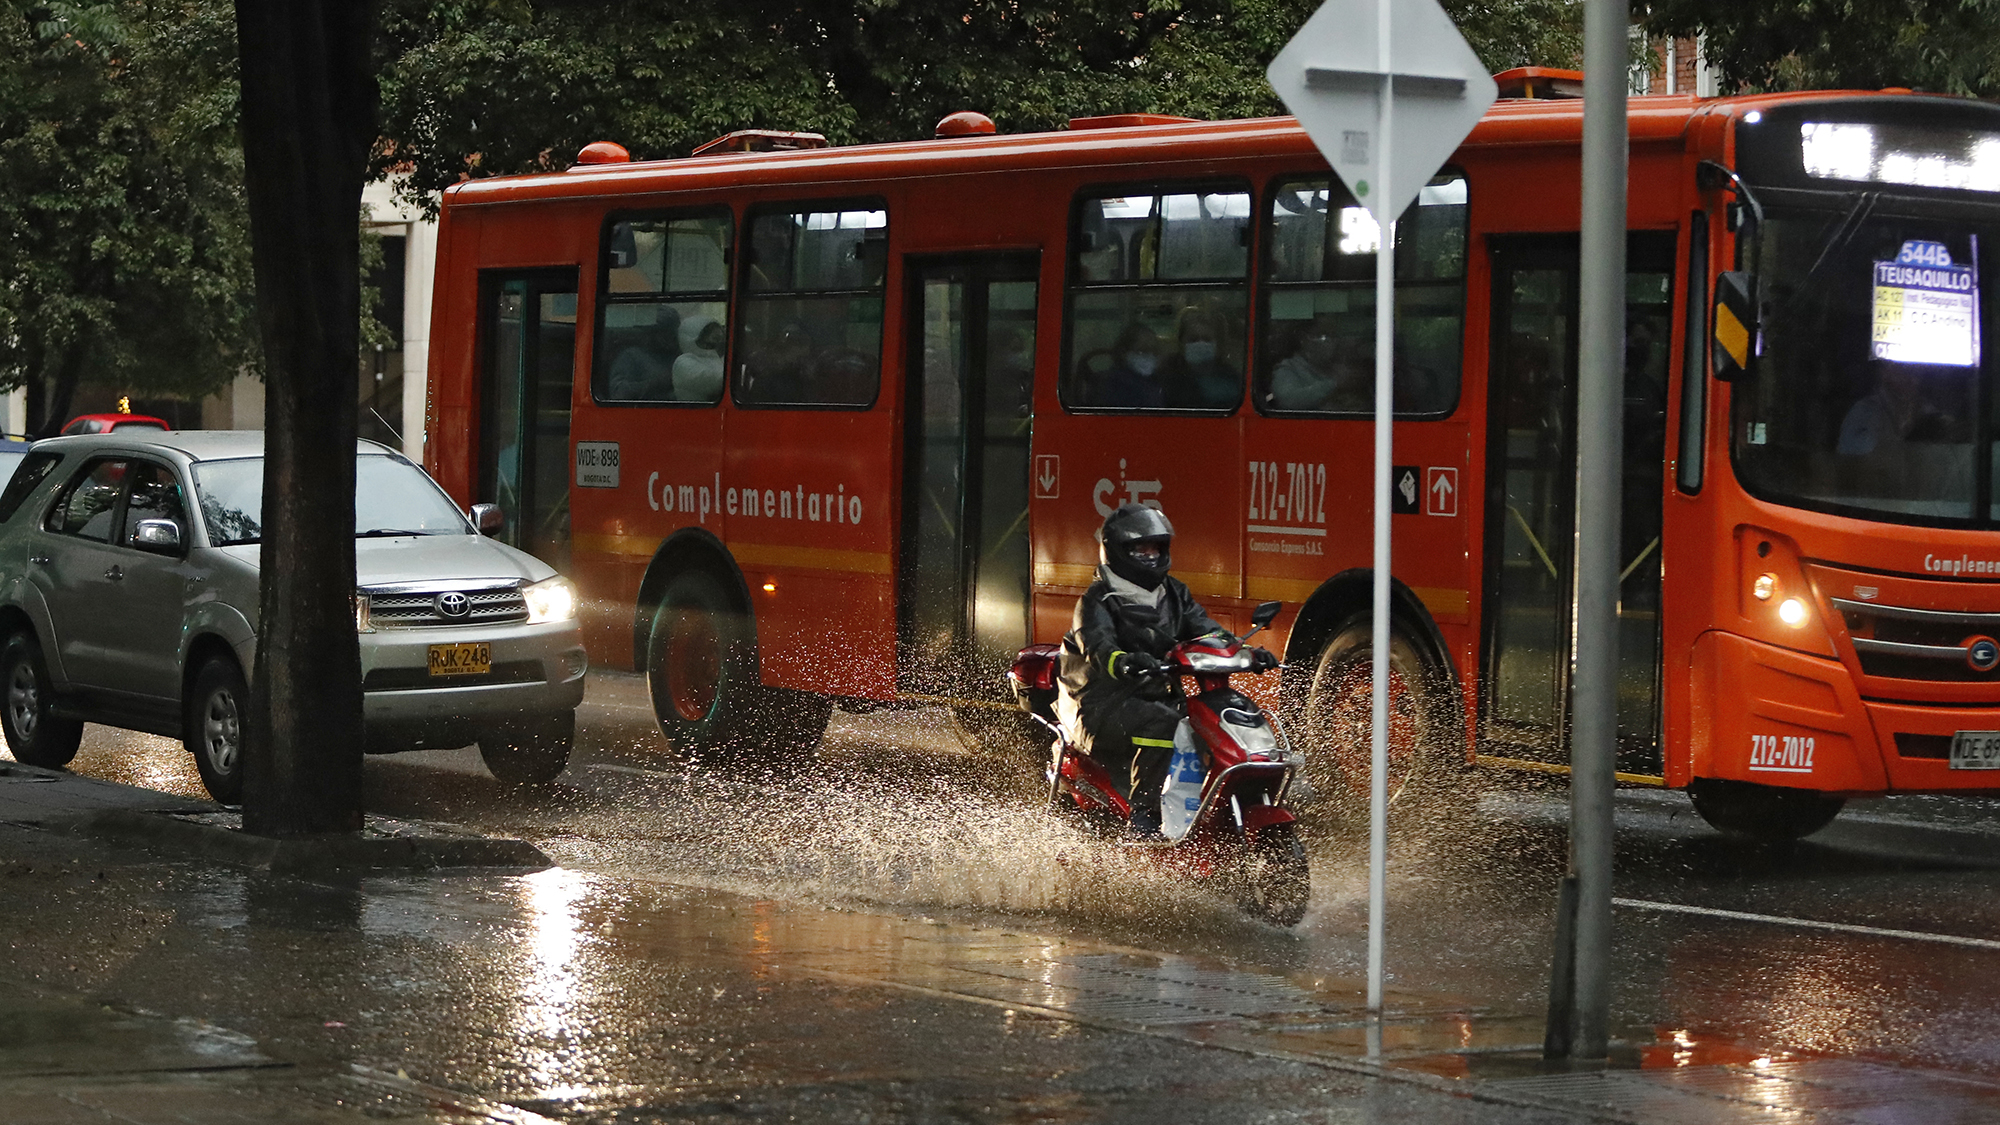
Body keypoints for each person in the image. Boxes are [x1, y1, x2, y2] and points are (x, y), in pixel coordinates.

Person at [1057, 504, 1276, 839]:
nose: (1150, 554)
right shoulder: (1098, 599)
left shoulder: (1174, 592)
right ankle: (1143, 815)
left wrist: (1245, 651)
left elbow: (1206, 631)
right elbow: (1096, 643)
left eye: (1156, 547)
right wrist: (1123, 660)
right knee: (1160, 722)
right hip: (1102, 703)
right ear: (1118, 550)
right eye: (1141, 548)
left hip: (1158, 696)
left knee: (1211, 720)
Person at [1268, 316, 1365, 411]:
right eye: (1322, 336)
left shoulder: (1338, 368)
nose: (1329, 342)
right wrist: (1334, 384)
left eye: (1333, 336)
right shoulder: (1288, 369)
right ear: (1304, 339)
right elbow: (1288, 400)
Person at [1160, 309, 1240, 409]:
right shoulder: (1166, 376)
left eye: (1207, 339)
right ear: (1181, 344)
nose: (1200, 344)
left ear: (1216, 344)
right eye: (1193, 339)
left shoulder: (1230, 378)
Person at [1087, 323, 1167, 408]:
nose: (1149, 356)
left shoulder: (1155, 381)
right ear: (1123, 352)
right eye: (1142, 351)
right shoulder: (1112, 386)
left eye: (1154, 351)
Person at [607, 313, 679, 400]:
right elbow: (619, 393)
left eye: (671, 333)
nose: (670, 338)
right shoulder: (631, 356)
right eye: (663, 332)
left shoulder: (679, 355)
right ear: (651, 333)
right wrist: (655, 384)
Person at [671, 315, 726, 401]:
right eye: (708, 333)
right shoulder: (683, 362)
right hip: (694, 413)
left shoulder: (717, 358)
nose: (717, 337)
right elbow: (715, 380)